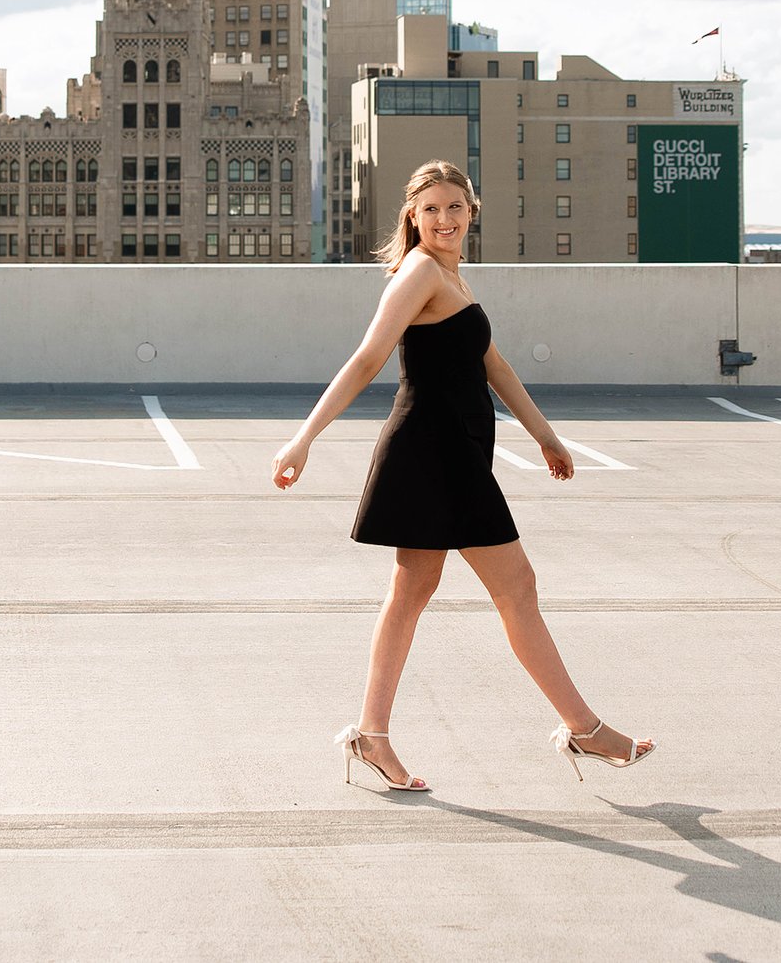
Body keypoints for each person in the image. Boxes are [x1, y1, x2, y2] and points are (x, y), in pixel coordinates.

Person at [271, 158, 654, 792]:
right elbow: (368, 359)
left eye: (454, 207)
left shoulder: (453, 277)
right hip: (432, 453)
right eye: (430, 209)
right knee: (516, 587)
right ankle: (584, 728)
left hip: (457, 451)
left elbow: (495, 367)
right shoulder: (420, 273)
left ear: (471, 211)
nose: (443, 219)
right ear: (412, 218)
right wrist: (302, 439)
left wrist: (547, 438)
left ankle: (372, 735)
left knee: (411, 594)